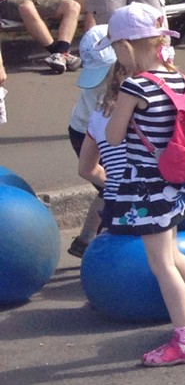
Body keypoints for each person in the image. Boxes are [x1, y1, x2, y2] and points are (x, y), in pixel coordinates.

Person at [94, 4, 185, 367]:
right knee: (174, 256)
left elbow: (112, 137)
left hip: (149, 189)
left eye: (115, 49)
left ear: (126, 47)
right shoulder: (181, 80)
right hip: (181, 184)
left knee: (162, 265)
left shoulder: (134, 85)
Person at [65, 22, 116, 257]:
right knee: (113, 187)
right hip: (89, 133)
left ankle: (84, 241)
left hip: (94, 129)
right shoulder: (106, 91)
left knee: (109, 188)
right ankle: (102, 243)